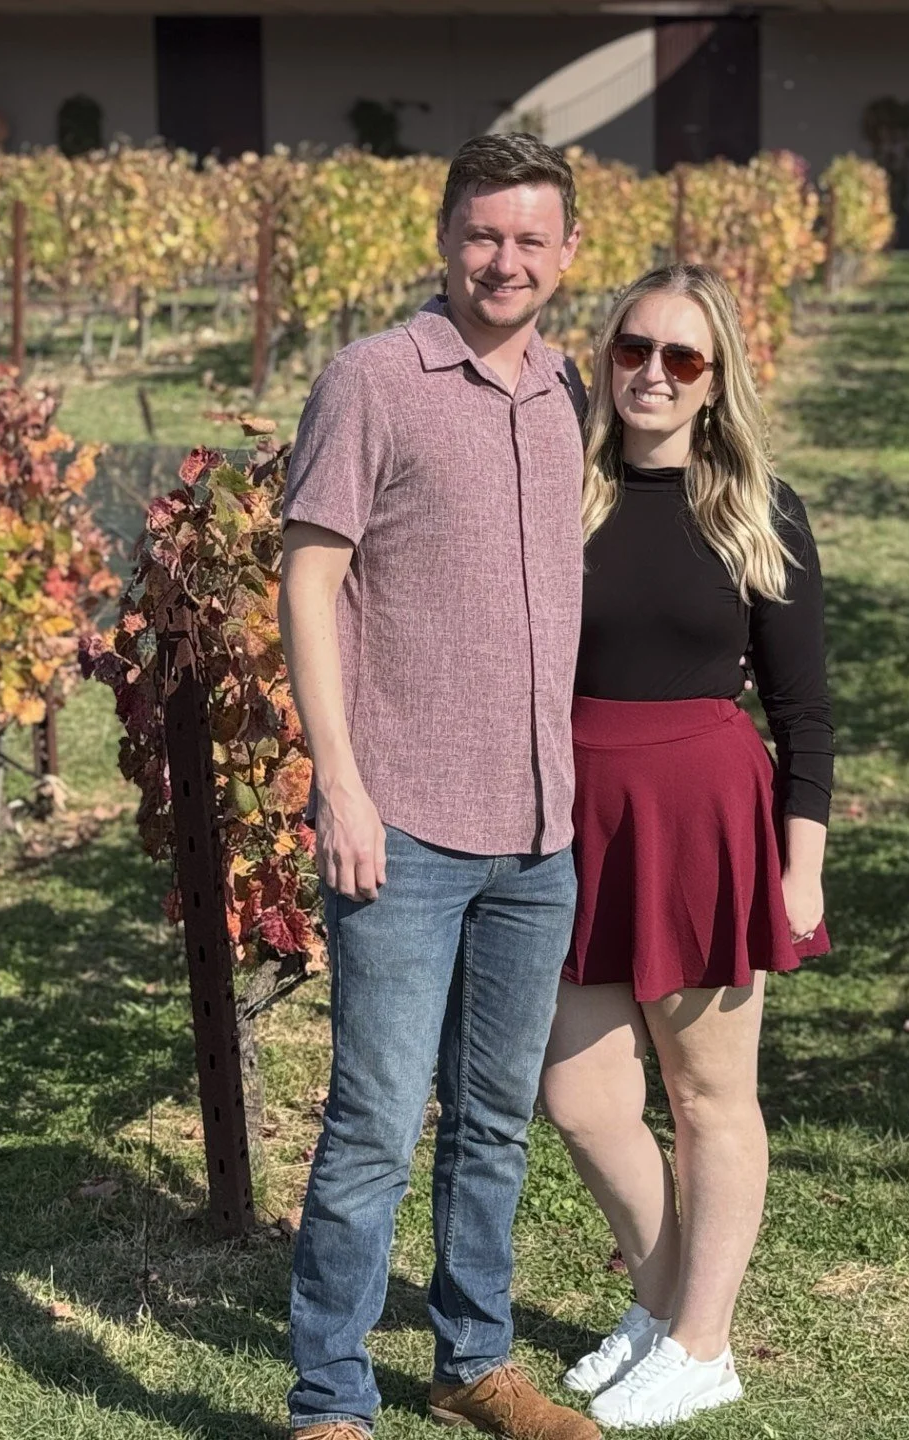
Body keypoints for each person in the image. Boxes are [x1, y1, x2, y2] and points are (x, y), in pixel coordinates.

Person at [277, 133, 599, 1440]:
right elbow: (307, 579)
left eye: (530, 238)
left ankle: (473, 1358)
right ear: (442, 238)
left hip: (536, 829)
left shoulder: (567, 387)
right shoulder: (374, 381)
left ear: (567, 257)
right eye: (482, 234)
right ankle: (329, 1400)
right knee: (369, 1132)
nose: (504, 260)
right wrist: (338, 785)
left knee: (495, 1126)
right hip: (402, 818)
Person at [538, 263, 833, 1429]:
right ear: (607, 357)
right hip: (578, 815)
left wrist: (800, 865)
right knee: (580, 1094)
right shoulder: (565, 491)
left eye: (682, 358)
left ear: (716, 383)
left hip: (707, 817)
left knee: (710, 1097)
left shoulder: (755, 506)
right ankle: (665, 1309)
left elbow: (805, 712)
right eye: (631, 349)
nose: (651, 373)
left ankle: (704, 1343)